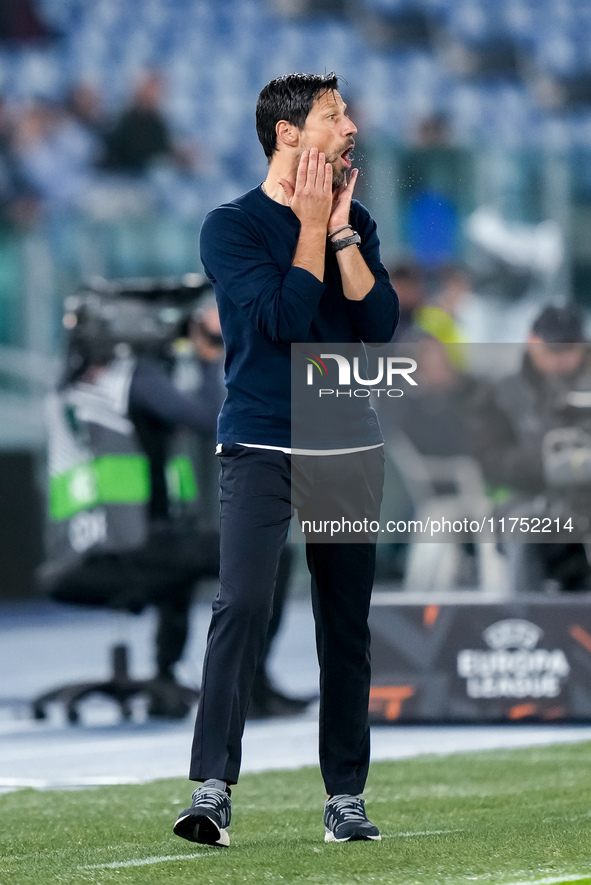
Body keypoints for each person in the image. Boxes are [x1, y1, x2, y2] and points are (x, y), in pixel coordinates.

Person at [173, 72, 398, 848]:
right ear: (288, 135)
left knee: (344, 623)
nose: (352, 128)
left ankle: (344, 796)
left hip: (346, 442)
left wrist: (336, 231)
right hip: (261, 438)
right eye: (336, 117)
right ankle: (211, 787)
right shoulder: (228, 226)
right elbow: (281, 321)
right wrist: (307, 224)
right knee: (241, 603)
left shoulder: (353, 218)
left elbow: (379, 326)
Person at [469, 304, 591, 594]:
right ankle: (524, 623)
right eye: (553, 349)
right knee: (524, 526)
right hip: (529, 501)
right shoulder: (499, 393)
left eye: (569, 349)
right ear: (532, 343)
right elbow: (490, 463)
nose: (561, 358)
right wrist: (552, 461)